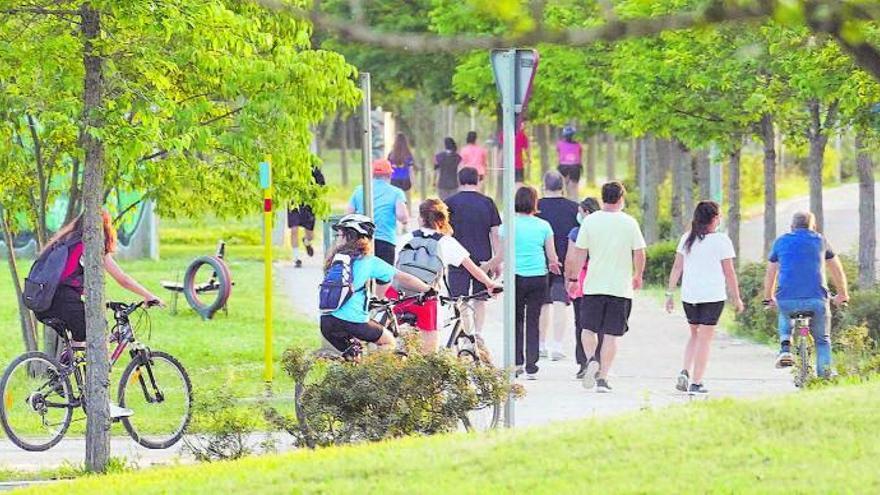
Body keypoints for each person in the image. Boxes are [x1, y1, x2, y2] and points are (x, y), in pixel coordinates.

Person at [33, 211, 165, 419]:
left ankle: (63, 370)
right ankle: (96, 399)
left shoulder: (68, 240)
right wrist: (149, 296)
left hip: (44, 303)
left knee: (86, 337)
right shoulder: (91, 244)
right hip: (61, 301)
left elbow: (74, 279)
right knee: (98, 336)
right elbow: (123, 279)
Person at [565, 181, 646, 393]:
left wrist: (573, 280)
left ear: (603, 199)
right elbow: (639, 252)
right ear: (621, 198)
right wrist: (638, 275)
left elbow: (579, 253)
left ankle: (591, 358)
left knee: (587, 329)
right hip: (620, 288)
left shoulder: (590, 222)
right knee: (611, 335)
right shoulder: (630, 223)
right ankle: (603, 378)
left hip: (593, 286)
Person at [391, 199, 501, 353]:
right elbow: (473, 269)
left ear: (421, 219)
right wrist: (490, 284)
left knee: (398, 344)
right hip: (427, 299)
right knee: (429, 355)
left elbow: (391, 268)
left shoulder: (406, 238)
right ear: (442, 220)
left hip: (400, 297)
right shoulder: (446, 242)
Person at [320, 214, 432, 356]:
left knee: (353, 356)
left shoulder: (335, 260)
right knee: (388, 341)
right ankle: (375, 375)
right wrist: (428, 289)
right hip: (352, 320)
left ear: (347, 237)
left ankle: (352, 372)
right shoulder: (369, 261)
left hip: (327, 321)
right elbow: (405, 278)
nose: (338, 239)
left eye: (340, 235)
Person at [665, 201, 745, 395]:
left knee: (695, 335)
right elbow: (729, 273)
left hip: (689, 296)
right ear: (714, 219)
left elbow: (677, 268)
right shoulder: (722, 241)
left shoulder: (687, 238)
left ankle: (685, 370)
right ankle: (697, 382)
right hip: (712, 296)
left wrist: (669, 293)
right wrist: (737, 298)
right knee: (705, 340)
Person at [762, 211, 850, 377]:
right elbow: (837, 270)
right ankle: (824, 377)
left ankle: (785, 347)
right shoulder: (820, 240)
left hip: (787, 298)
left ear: (791, 227)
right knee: (822, 340)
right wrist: (842, 294)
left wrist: (768, 298)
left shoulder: (781, 241)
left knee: (784, 310)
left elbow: (771, 272)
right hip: (816, 299)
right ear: (813, 227)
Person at [499, 186, 561, 380]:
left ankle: (517, 362)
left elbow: (501, 255)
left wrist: (487, 267)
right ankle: (531, 365)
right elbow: (552, 256)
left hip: (514, 277)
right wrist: (555, 265)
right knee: (533, 321)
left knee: (516, 320)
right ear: (535, 202)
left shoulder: (507, 225)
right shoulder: (544, 226)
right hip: (538, 278)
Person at [445, 167, 503, 338]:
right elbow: (495, 234)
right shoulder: (488, 203)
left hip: (456, 258)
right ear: (478, 180)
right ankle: (478, 334)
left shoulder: (449, 203)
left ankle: (465, 330)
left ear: (459, 180)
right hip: (482, 260)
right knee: (480, 299)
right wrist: (496, 260)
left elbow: (443, 233)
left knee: (460, 299)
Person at [536, 171, 580, 361]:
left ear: (543, 185)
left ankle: (541, 345)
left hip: (540, 261)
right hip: (565, 261)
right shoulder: (574, 208)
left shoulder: (535, 206)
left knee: (543, 303)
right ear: (563, 186)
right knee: (561, 302)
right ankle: (558, 345)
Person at [347, 158, 409, 266]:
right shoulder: (396, 192)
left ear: (372, 175)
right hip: (385, 239)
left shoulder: (359, 190)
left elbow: (349, 214)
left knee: (362, 275)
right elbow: (402, 216)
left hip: (362, 239)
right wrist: (405, 222)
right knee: (383, 277)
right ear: (390, 175)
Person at [566, 197, 601, 379]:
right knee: (600, 325)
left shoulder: (576, 232)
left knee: (581, 324)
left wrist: (569, 279)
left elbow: (571, 258)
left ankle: (584, 362)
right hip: (600, 281)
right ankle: (599, 360)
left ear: (586, 212)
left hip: (580, 281)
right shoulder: (604, 231)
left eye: (580, 212)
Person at [288, 166, 326, 268]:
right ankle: (296, 258)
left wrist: (313, 191)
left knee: (310, 235)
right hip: (294, 202)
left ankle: (306, 241)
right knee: (294, 230)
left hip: (309, 203)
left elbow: (322, 184)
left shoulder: (313, 166)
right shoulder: (290, 166)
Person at [556, 126, 583, 201]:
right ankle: (574, 203)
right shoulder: (578, 145)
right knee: (574, 188)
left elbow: (558, 155)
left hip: (563, 166)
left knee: (563, 186)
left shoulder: (560, 144)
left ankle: (563, 202)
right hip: (575, 166)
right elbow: (580, 155)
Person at [388, 133, 416, 204]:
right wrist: (413, 183)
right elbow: (411, 170)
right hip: (405, 181)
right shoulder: (408, 155)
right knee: (406, 200)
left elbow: (388, 169)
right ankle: (407, 213)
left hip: (394, 180)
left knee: (395, 200)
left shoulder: (391, 155)